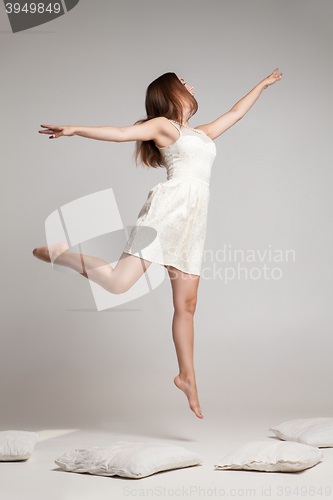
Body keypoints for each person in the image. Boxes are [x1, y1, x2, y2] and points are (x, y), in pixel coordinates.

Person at [33, 69, 282, 419]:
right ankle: (63, 255)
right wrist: (75, 129)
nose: (191, 85)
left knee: (187, 305)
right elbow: (121, 134)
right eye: (184, 82)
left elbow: (236, 113)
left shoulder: (200, 133)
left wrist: (262, 85)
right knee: (120, 284)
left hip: (193, 223)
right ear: (170, 92)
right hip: (167, 212)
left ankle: (187, 376)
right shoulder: (165, 126)